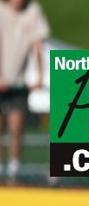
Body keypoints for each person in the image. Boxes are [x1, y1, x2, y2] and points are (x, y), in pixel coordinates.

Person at [0, 0, 49, 183]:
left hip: (18, 84)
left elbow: (38, 46)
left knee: (16, 127)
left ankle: (14, 170)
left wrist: (39, 76)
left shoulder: (33, 11)